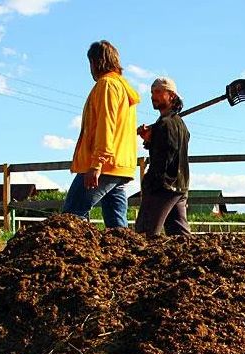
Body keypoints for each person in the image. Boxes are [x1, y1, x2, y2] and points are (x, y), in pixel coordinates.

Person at [63, 40, 140, 228]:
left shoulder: (106, 85)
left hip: (104, 165)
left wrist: (96, 164)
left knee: (71, 217)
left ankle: (73, 257)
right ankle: (125, 257)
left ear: (96, 62)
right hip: (121, 166)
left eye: (90, 63)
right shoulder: (123, 88)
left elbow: (106, 125)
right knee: (117, 227)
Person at [134, 77, 192, 236]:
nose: (153, 96)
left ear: (172, 96)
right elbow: (168, 149)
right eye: (152, 92)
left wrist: (149, 182)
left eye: (158, 92)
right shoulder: (179, 124)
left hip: (163, 187)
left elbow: (165, 157)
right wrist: (150, 139)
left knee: (144, 234)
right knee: (180, 238)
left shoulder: (165, 124)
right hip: (180, 187)